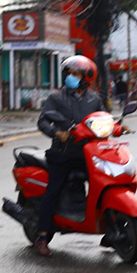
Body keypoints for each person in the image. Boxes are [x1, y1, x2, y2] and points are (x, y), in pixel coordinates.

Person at [32, 56, 104, 257]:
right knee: (53, 191)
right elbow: (43, 121)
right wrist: (57, 133)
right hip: (62, 154)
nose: (70, 77)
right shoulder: (56, 98)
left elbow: (103, 119)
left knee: (103, 184)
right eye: (69, 73)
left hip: (87, 154)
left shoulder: (94, 99)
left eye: (75, 74)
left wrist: (116, 126)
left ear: (87, 78)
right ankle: (42, 236)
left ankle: (111, 226)